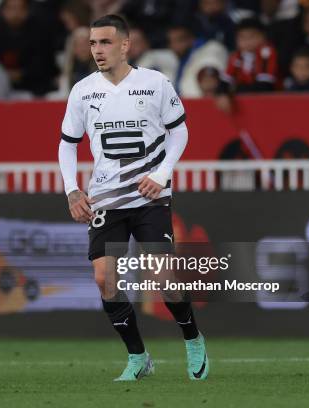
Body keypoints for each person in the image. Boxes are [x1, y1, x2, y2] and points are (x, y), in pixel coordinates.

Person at [58, 15, 208, 382]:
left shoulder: (155, 83)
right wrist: (72, 189)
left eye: (105, 42)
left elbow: (180, 133)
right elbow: (67, 144)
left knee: (164, 279)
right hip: (106, 198)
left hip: (149, 195)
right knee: (103, 279)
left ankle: (192, 338)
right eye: (93, 43)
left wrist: (161, 174)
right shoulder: (83, 90)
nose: (97, 50)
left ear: (125, 45)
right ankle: (138, 357)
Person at [225, 18, 279, 93]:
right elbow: (225, 82)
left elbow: (265, 86)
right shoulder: (236, 56)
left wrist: (235, 90)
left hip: (269, 99)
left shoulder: (266, 52)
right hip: (245, 98)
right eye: (242, 37)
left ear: (263, 37)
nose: (247, 42)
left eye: (251, 37)